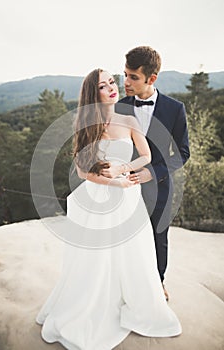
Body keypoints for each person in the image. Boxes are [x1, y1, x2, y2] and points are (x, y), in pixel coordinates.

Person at [36, 68, 182, 350]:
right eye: (103, 86)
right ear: (94, 93)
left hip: (128, 198)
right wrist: (112, 183)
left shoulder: (129, 119)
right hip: (98, 198)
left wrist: (124, 169)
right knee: (98, 257)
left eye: (112, 82)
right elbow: (81, 170)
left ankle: (133, 299)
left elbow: (146, 156)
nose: (112, 88)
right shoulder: (85, 125)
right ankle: (94, 305)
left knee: (133, 253)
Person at [115, 46, 190, 300]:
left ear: (152, 78)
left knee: (159, 236)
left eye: (133, 77)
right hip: (125, 186)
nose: (125, 82)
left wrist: (154, 172)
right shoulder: (120, 107)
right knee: (125, 235)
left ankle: (157, 282)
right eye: (124, 74)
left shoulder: (174, 109)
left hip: (159, 185)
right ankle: (125, 283)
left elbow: (183, 152)